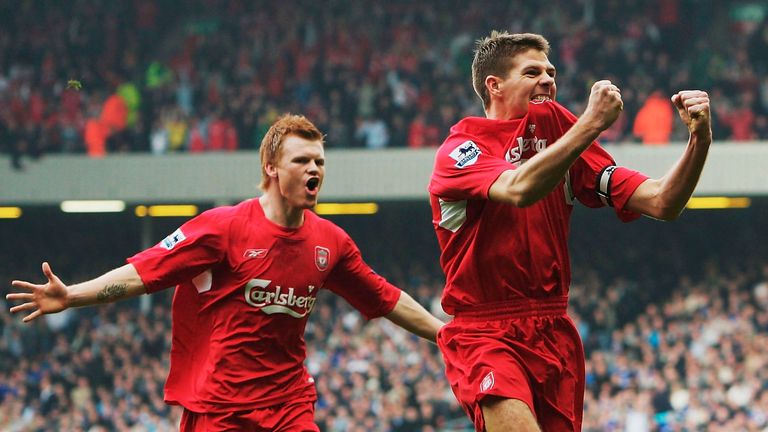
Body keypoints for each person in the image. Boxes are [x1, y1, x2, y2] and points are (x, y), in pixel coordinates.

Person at [7, 114, 445, 431]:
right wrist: (71, 296)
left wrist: (445, 334)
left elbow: (386, 297)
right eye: (302, 161)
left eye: (319, 161)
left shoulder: (331, 242)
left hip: (289, 405)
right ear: (271, 168)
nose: (314, 169)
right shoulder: (223, 228)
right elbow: (143, 274)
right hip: (219, 409)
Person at [428, 31, 711, 432]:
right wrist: (591, 124)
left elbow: (663, 202)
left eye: (551, 71)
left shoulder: (559, 128)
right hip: (485, 332)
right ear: (495, 85)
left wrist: (700, 139)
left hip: (553, 329)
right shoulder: (460, 150)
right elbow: (519, 188)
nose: (547, 79)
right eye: (532, 72)